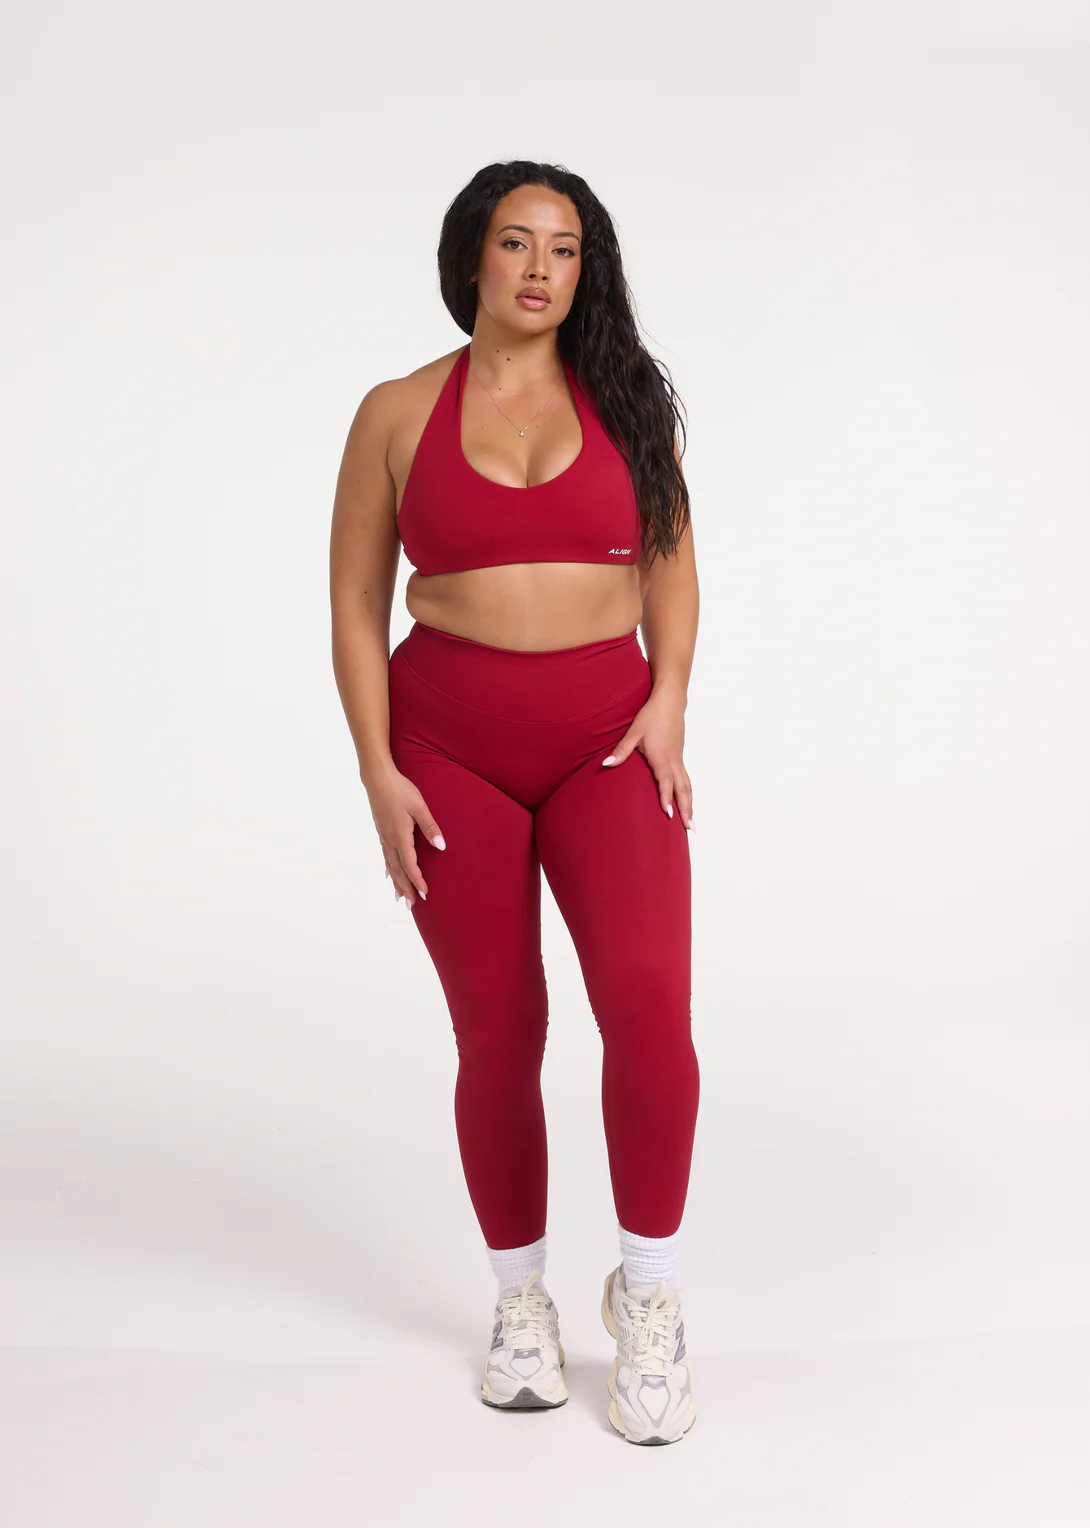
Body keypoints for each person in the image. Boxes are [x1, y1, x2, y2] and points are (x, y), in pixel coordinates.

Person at [329, 160, 700, 1445]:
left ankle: (646, 1296)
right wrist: (377, 771)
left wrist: (670, 698)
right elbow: (354, 603)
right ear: (471, 257)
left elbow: (673, 567)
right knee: (498, 1029)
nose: (540, 268)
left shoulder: (626, 398)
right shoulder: (394, 412)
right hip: (446, 750)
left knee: (646, 1005)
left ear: (585, 270)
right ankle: (521, 1304)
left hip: (608, 740)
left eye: (565, 248)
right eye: (515, 242)